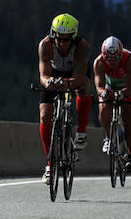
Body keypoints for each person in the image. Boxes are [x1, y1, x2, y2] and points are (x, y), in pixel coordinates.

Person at [37, 13, 92, 183]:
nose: (61, 43)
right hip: (54, 74)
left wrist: (69, 83)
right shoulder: (45, 45)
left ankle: (81, 132)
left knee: (83, 90)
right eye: (58, 39)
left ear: (73, 37)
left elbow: (79, 76)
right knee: (45, 116)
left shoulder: (82, 47)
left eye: (66, 40)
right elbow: (43, 75)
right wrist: (49, 82)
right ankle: (50, 163)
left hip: (75, 73)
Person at [94, 36, 131, 172]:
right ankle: (108, 136)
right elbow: (99, 86)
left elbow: (130, 87)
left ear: (121, 54)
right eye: (109, 58)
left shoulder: (130, 60)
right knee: (103, 106)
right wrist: (104, 93)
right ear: (104, 56)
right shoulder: (99, 62)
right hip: (110, 84)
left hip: (128, 85)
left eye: (116, 58)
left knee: (127, 115)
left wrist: (122, 94)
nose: (112, 62)